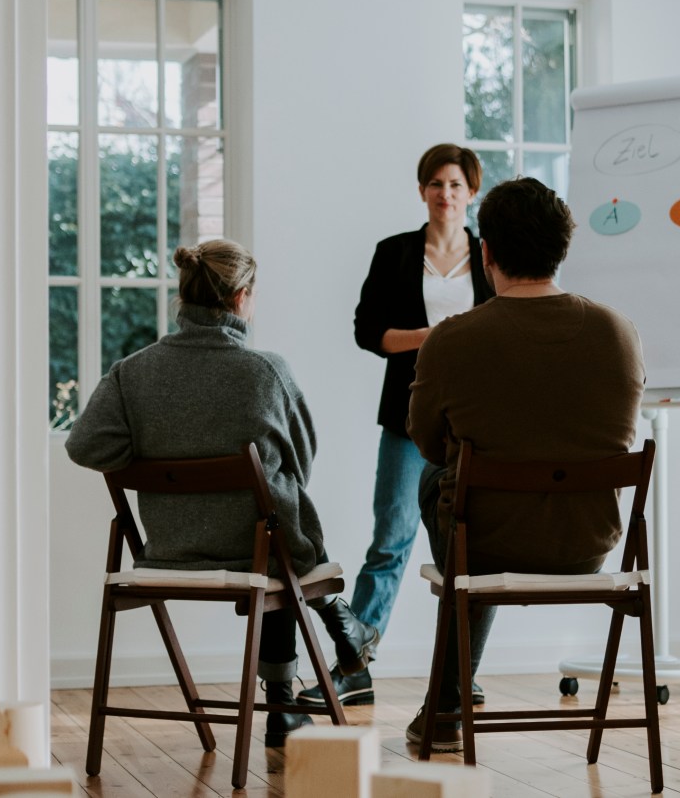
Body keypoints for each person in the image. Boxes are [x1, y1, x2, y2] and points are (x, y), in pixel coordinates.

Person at [64, 239, 378, 747]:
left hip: (169, 550)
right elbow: (302, 460)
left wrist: (149, 455)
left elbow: (84, 446)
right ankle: (286, 699)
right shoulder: (266, 371)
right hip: (261, 549)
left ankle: (312, 665)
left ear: (184, 298)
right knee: (275, 523)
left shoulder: (133, 372)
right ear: (241, 299)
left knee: (272, 523)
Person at [402, 177, 646, 752]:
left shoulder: (453, 339)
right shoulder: (619, 331)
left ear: (485, 254)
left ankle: (446, 707)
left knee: (443, 483)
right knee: (461, 497)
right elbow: (620, 434)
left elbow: (427, 443)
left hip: (485, 543)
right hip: (586, 545)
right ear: (563, 249)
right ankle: (444, 703)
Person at [298, 144, 494, 709]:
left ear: (471, 192)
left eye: (455, 184)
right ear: (421, 190)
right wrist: (431, 337)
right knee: (391, 540)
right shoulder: (396, 253)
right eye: (435, 183)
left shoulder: (489, 256)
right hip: (409, 417)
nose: (445, 194)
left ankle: (463, 672)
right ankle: (353, 667)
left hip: (475, 424)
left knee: (466, 550)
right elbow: (368, 331)